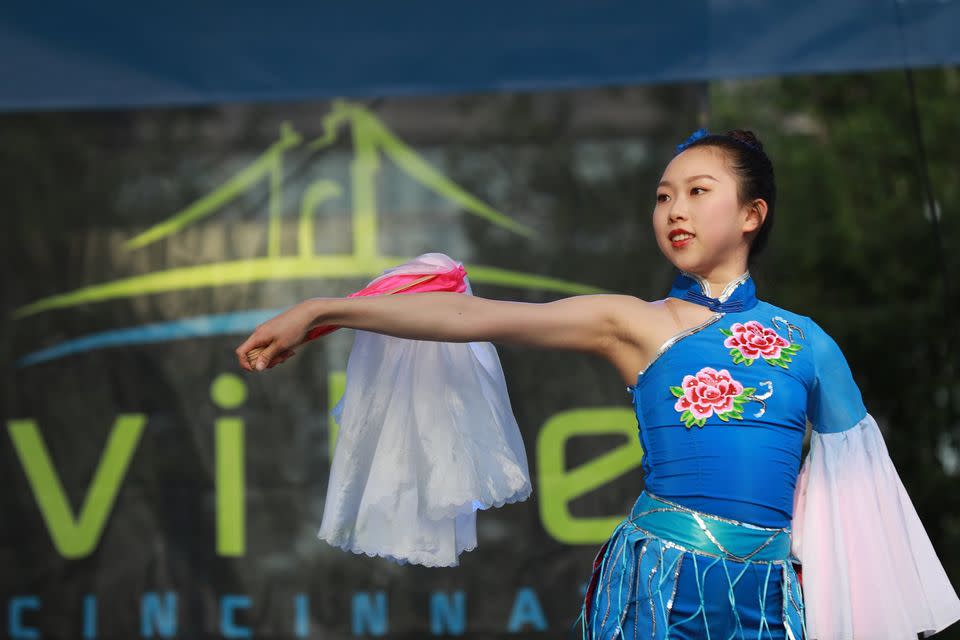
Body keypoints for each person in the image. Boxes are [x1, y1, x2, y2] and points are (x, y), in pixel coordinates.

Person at [235, 128, 960, 638]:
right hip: (661, 588)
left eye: (697, 191)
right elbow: (475, 314)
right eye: (662, 196)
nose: (674, 209)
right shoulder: (635, 323)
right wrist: (322, 308)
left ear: (751, 214)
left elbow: (859, 505)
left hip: (774, 597)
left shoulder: (810, 345)